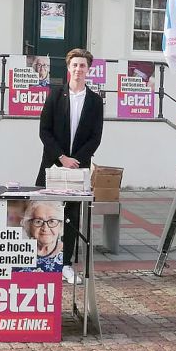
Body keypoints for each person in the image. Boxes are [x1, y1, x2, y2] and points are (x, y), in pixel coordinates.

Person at [36, 48, 104, 284]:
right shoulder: (55, 95)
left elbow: (95, 137)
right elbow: (44, 131)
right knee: (44, 213)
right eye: (74, 65)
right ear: (68, 68)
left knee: (71, 217)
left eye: (82, 66)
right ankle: (42, 261)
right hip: (53, 165)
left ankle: (65, 264)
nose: (78, 69)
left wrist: (76, 161)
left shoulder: (95, 101)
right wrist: (62, 157)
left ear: (88, 69)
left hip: (79, 169)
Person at [14, 201, 64, 273]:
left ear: (60, 225)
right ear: (29, 225)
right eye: (38, 221)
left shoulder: (68, 255)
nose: (45, 228)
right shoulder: (17, 253)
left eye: (52, 221)